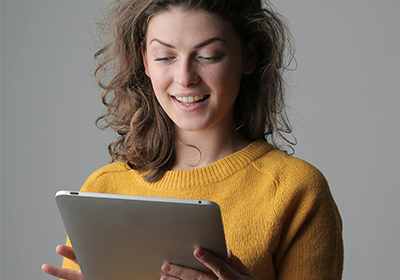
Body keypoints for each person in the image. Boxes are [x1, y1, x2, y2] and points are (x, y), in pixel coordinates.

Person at [42, 0, 344, 279]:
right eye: (164, 57)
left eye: (208, 56)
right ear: (145, 61)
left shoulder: (296, 190)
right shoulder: (103, 190)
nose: (185, 77)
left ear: (248, 56)